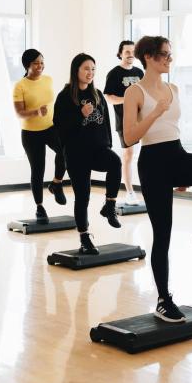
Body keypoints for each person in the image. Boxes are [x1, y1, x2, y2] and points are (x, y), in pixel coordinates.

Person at [123, 36, 192, 323]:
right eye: (164, 55)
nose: (169, 60)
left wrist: (183, 174)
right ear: (148, 57)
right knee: (163, 234)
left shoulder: (173, 88)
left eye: (170, 55)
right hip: (153, 163)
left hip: (176, 155)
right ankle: (163, 299)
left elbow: (172, 128)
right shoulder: (135, 92)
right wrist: (155, 112)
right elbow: (130, 137)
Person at [53, 54, 122, 255]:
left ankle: (110, 205)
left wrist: (108, 144)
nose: (90, 73)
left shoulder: (98, 94)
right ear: (76, 70)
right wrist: (80, 114)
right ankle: (84, 237)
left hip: (98, 150)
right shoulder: (65, 97)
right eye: (86, 69)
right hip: (76, 154)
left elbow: (106, 123)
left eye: (93, 69)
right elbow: (60, 127)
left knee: (115, 162)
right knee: (83, 196)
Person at [13, 49, 68, 224]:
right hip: (31, 134)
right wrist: (36, 111)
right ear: (27, 65)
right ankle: (39, 207)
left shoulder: (48, 80)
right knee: (38, 170)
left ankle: (57, 184)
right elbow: (19, 113)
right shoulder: (20, 85)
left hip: (51, 128)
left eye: (42, 62)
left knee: (66, 151)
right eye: (36, 63)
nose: (40, 66)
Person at [103, 40, 144, 206]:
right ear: (120, 54)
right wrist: (127, 100)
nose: (130, 55)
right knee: (128, 156)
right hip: (125, 121)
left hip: (142, 119)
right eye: (127, 52)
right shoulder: (114, 73)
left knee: (149, 154)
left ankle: (150, 188)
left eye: (133, 52)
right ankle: (130, 192)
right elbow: (109, 97)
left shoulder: (140, 72)